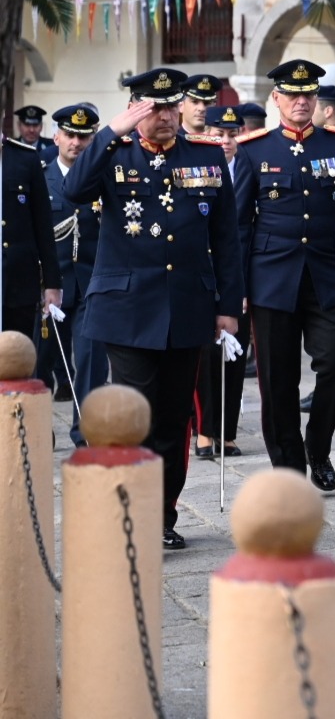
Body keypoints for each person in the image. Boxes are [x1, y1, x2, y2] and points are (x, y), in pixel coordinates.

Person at [65, 67, 243, 550]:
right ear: (136, 109)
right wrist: (110, 131)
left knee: (172, 418)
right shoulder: (112, 153)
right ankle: (130, 510)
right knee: (133, 414)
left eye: (171, 107)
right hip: (126, 308)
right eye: (154, 108)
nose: (165, 116)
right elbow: (74, 191)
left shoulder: (204, 156)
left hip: (188, 307)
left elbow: (226, 239)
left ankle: (162, 514)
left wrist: (228, 307)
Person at [237, 59, 335, 491]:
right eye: (293, 94)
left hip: (329, 276)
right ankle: (288, 469)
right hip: (272, 278)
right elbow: (239, 224)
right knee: (277, 379)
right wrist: (239, 288)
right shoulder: (255, 149)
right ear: (277, 99)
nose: (302, 102)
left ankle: (317, 444)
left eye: (309, 94)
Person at [36, 104, 106, 446]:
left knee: (92, 362)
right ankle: (36, 432)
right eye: (70, 135)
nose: (76, 143)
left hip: (92, 285)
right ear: (57, 137)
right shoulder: (39, 176)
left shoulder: (104, 176)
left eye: (84, 136)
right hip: (49, 288)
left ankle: (87, 432)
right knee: (39, 363)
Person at [194, 105, 252, 460]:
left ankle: (227, 432)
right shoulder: (198, 165)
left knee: (234, 355)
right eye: (219, 134)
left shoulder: (250, 166)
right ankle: (204, 430)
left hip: (239, 273)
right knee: (203, 357)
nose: (226, 141)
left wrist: (242, 287)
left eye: (233, 134)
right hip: (202, 270)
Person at [2, 125, 61, 336]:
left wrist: (53, 284)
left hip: (18, 285)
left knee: (18, 360)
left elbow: (43, 226)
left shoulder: (25, 158)